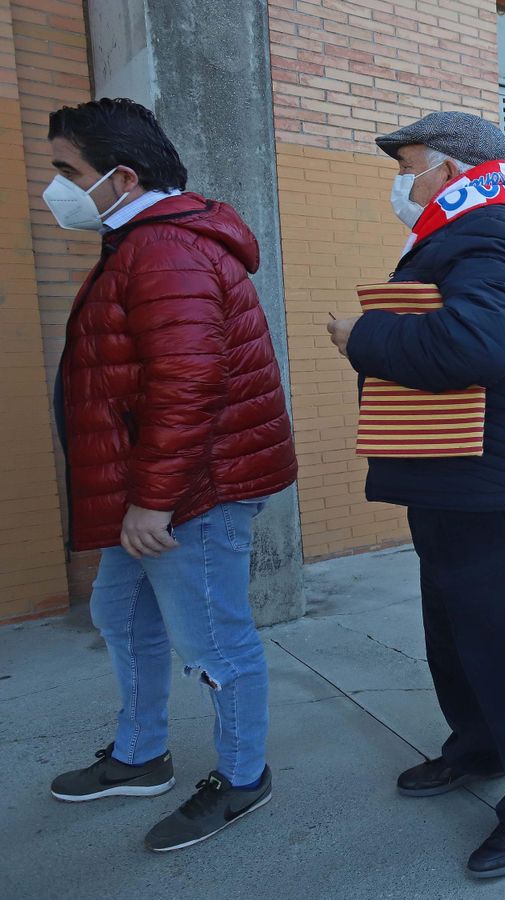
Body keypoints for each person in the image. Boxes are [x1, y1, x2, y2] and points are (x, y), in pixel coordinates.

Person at [326, 111, 505, 879]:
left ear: (451, 167)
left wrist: (361, 337)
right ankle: (478, 747)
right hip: (465, 476)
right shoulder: (463, 233)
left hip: (496, 484)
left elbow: (479, 347)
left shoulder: (488, 233)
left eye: (408, 167)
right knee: (460, 633)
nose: (401, 184)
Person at [43, 99, 298, 851]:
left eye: (68, 172)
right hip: (154, 489)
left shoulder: (166, 252)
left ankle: (244, 777)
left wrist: (152, 500)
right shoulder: (142, 240)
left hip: (193, 492)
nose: (56, 188)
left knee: (216, 641)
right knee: (120, 618)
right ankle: (139, 754)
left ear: (121, 178)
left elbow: (189, 385)